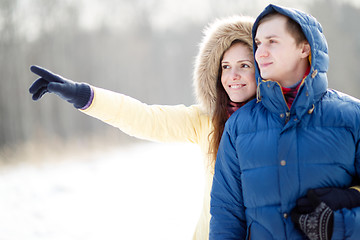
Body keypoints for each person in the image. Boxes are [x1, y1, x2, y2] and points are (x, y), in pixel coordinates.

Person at [29, 16, 256, 240]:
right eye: (226, 66)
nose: (232, 76)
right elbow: (144, 118)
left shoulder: (283, 121)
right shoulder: (206, 121)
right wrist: (84, 95)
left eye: (244, 65)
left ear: (261, 68)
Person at [210, 4, 360, 240]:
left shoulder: (352, 117)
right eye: (258, 44)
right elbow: (226, 216)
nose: (260, 53)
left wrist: (339, 225)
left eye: (272, 41)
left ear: (304, 47)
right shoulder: (239, 127)